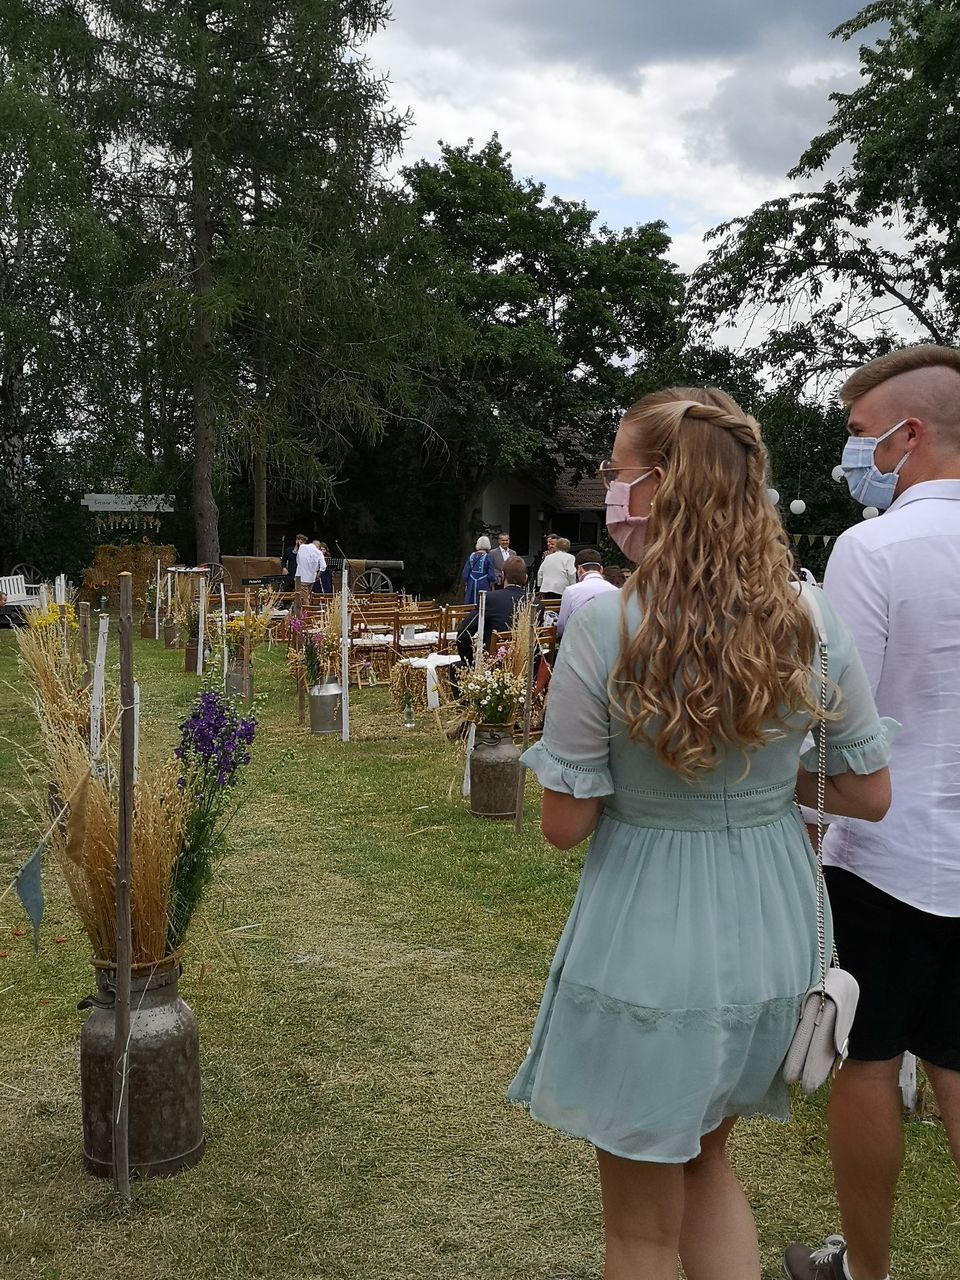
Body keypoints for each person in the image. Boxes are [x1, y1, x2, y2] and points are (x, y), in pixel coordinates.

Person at [507, 387, 894, 1280]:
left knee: (640, 1229)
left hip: (651, 936)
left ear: (657, 489)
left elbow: (565, 826)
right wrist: (760, 778)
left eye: (615, 473)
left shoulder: (606, 623)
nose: (610, 489)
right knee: (710, 1159)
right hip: (772, 933)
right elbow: (867, 791)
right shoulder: (808, 617)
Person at [784, 346, 960, 1280]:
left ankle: (866, 1268)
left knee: (865, 1060)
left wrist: (802, 841)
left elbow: (835, 721)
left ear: (910, 435)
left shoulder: (872, 547)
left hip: (884, 857)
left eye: (861, 435)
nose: (856, 455)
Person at [456, 556, 536, 665]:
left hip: (492, 667)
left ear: (503, 576)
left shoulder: (490, 599)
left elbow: (463, 633)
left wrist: (470, 662)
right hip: (526, 668)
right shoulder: (536, 604)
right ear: (526, 578)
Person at [555, 547, 619, 637]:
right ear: (601, 569)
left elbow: (561, 627)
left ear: (580, 569)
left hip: (578, 645)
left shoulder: (571, 591)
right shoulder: (615, 591)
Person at [461, 536, 497, 605]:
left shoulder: (471, 556)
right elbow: (491, 574)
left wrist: (466, 581)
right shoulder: (488, 557)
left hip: (471, 583)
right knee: (482, 603)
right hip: (483, 583)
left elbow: (465, 573)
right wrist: (493, 581)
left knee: (470, 604)